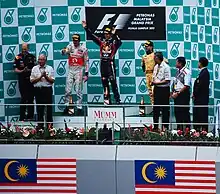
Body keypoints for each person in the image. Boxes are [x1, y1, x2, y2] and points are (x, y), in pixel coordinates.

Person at [82, 21, 122, 105]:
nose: (106, 35)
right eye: (105, 34)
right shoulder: (101, 42)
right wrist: (86, 28)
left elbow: (119, 42)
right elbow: (92, 37)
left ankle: (117, 99)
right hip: (102, 64)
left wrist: (114, 35)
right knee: (104, 82)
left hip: (110, 63)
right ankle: (107, 99)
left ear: (111, 34)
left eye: (108, 33)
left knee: (113, 81)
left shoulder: (114, 42)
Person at [61, 34, 89, 116]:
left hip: (79, 71)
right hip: (71, 70)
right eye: (74, 40)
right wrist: (63, 51)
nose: (75, 42)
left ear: (79, 41)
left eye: (76, 40)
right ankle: (67, 106)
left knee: (78, 90)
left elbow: (86, 61)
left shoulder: (83, 49)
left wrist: (86, 73)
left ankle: (79, 108)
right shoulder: (70, 46)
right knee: (67, 90)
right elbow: (64, 52)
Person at [30, 54, 54, 129]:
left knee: (49, 108)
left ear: (45, 60)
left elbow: (52, 80)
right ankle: (40, 126)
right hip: (38, 90)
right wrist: (40, 77)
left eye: (42, 59)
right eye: (39, 59)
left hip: (47, 90)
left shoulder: (50, 68)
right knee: (39, 108)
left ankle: (50, 127)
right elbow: (32, 81)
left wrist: (45, 76)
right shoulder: (34, 68)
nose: (40, 61)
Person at [141, 40, 169, 105]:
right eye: (145, 47)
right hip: (147, 75)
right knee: (150, 92)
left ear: (151, 47)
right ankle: (153, 107)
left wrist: (156, 68)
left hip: (154, 75)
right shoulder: (144, 56)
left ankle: (159, 107)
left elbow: (165, 61)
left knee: (155, 92)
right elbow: (143, 66)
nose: (146, 48)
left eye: (147, 46)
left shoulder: (155, 55)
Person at [14, 43, 36, 121]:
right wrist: (23, 70)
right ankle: (22, 117)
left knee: (30, 99)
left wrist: (29, 70)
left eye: (25, 49)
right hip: (22, 80)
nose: (24, 50)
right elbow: (15, 69)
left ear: (28, 49)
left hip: (30, 81)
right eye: (23, 49)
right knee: (23, 99)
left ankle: (30, 117)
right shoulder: (17, 57)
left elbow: (35, 69)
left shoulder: (32, 57)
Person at [152, 52, 171, 131]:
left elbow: (167, 80)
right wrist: (154, 82)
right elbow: (154, 76)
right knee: (155, 109)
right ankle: (155, 127)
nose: (153, 59)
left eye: (154, 57)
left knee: (165, 109)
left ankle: (165, 128)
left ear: (157, 58)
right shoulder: (156, 66)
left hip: (164, 90)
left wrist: (157, 83)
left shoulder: (166, 67)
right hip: (157, 89)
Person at [171, 57, 191, 131]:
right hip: (177, 94)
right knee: (177, 112)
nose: (175, 64)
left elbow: (186, 86)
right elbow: (175, 83)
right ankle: (179, 130)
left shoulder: (186, 72)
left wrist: (178, 93)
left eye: (176, 62)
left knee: (184, 112)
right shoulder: (177, 72)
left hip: (183, 95)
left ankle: (187, 131)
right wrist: (173, 92)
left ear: (180, 63)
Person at [193, 57, 210, 132]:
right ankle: (198, 131)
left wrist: (195, 93)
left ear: (201, 63)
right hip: (199, 99)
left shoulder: (205, 73)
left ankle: (204, 132)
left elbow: (200, 85)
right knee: (198, 116)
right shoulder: (202, 72)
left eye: (198, 62)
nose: (198, 64)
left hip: (201, 99)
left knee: (202, 115)